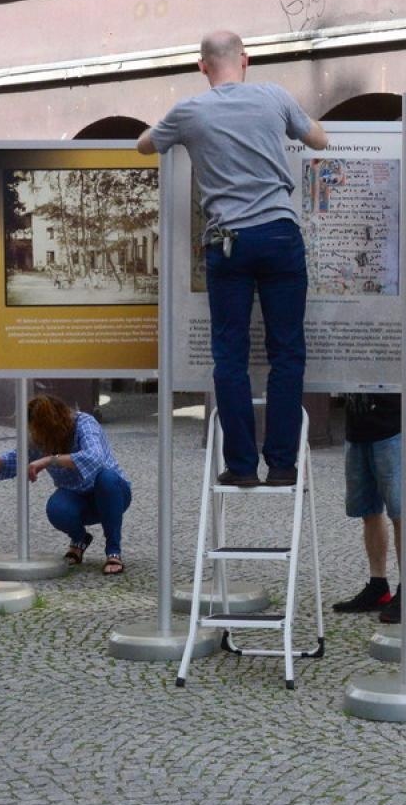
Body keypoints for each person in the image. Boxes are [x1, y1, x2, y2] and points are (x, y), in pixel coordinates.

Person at [137, 29, 329, 489]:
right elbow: (319, 139)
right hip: (280, 235)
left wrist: (168, 131)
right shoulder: (274, 97)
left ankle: (241, 466)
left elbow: (145, 144)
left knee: (230, 354)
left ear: (202, 66)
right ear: (246, 60)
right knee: (286, 352)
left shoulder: (188, 112)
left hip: (227, 242)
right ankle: (282, 464)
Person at [0, 394, 132, 574]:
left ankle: (113, 551)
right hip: (76, 496)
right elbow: (18, 457)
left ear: (52, 424)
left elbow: (94, 457)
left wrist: (50, 460)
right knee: (56, 509)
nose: (35, 435)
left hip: (113, 494)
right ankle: (80, 539)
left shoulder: (84, 423)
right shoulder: (41, 438)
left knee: (107, 478)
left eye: (37, 430)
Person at [330, 393, 403, 623]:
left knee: (401, 513)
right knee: (369, 511)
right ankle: (378, 585)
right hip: (357, 430)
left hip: (393, 427)